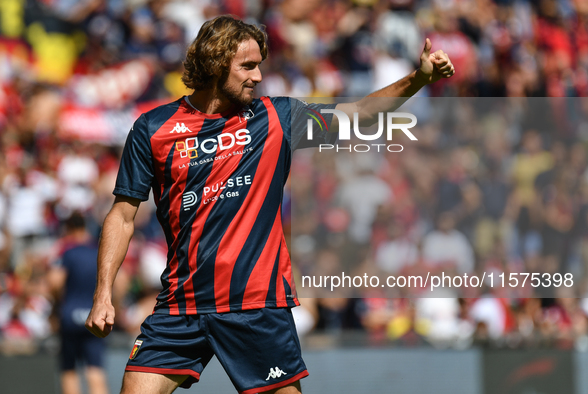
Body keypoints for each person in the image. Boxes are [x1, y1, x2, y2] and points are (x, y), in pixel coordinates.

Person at [85, 15, 454, 394]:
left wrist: (419, 79)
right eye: (247, 66)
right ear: (214, 63)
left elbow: (357, 114)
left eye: (259, 65)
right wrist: (103, 294)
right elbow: (123, 216)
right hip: (180, 305)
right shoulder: (152, 129)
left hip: (256, 306)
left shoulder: (276, 118)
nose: (258, 76)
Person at [48, 212, 109, 394]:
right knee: (95, 369)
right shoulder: (98, 253)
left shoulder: (68, 252)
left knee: (69, 370)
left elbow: (54, 281)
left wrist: (58, 302)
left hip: (70, 315)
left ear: (69, 229)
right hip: (95, 315)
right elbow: (121, 281)